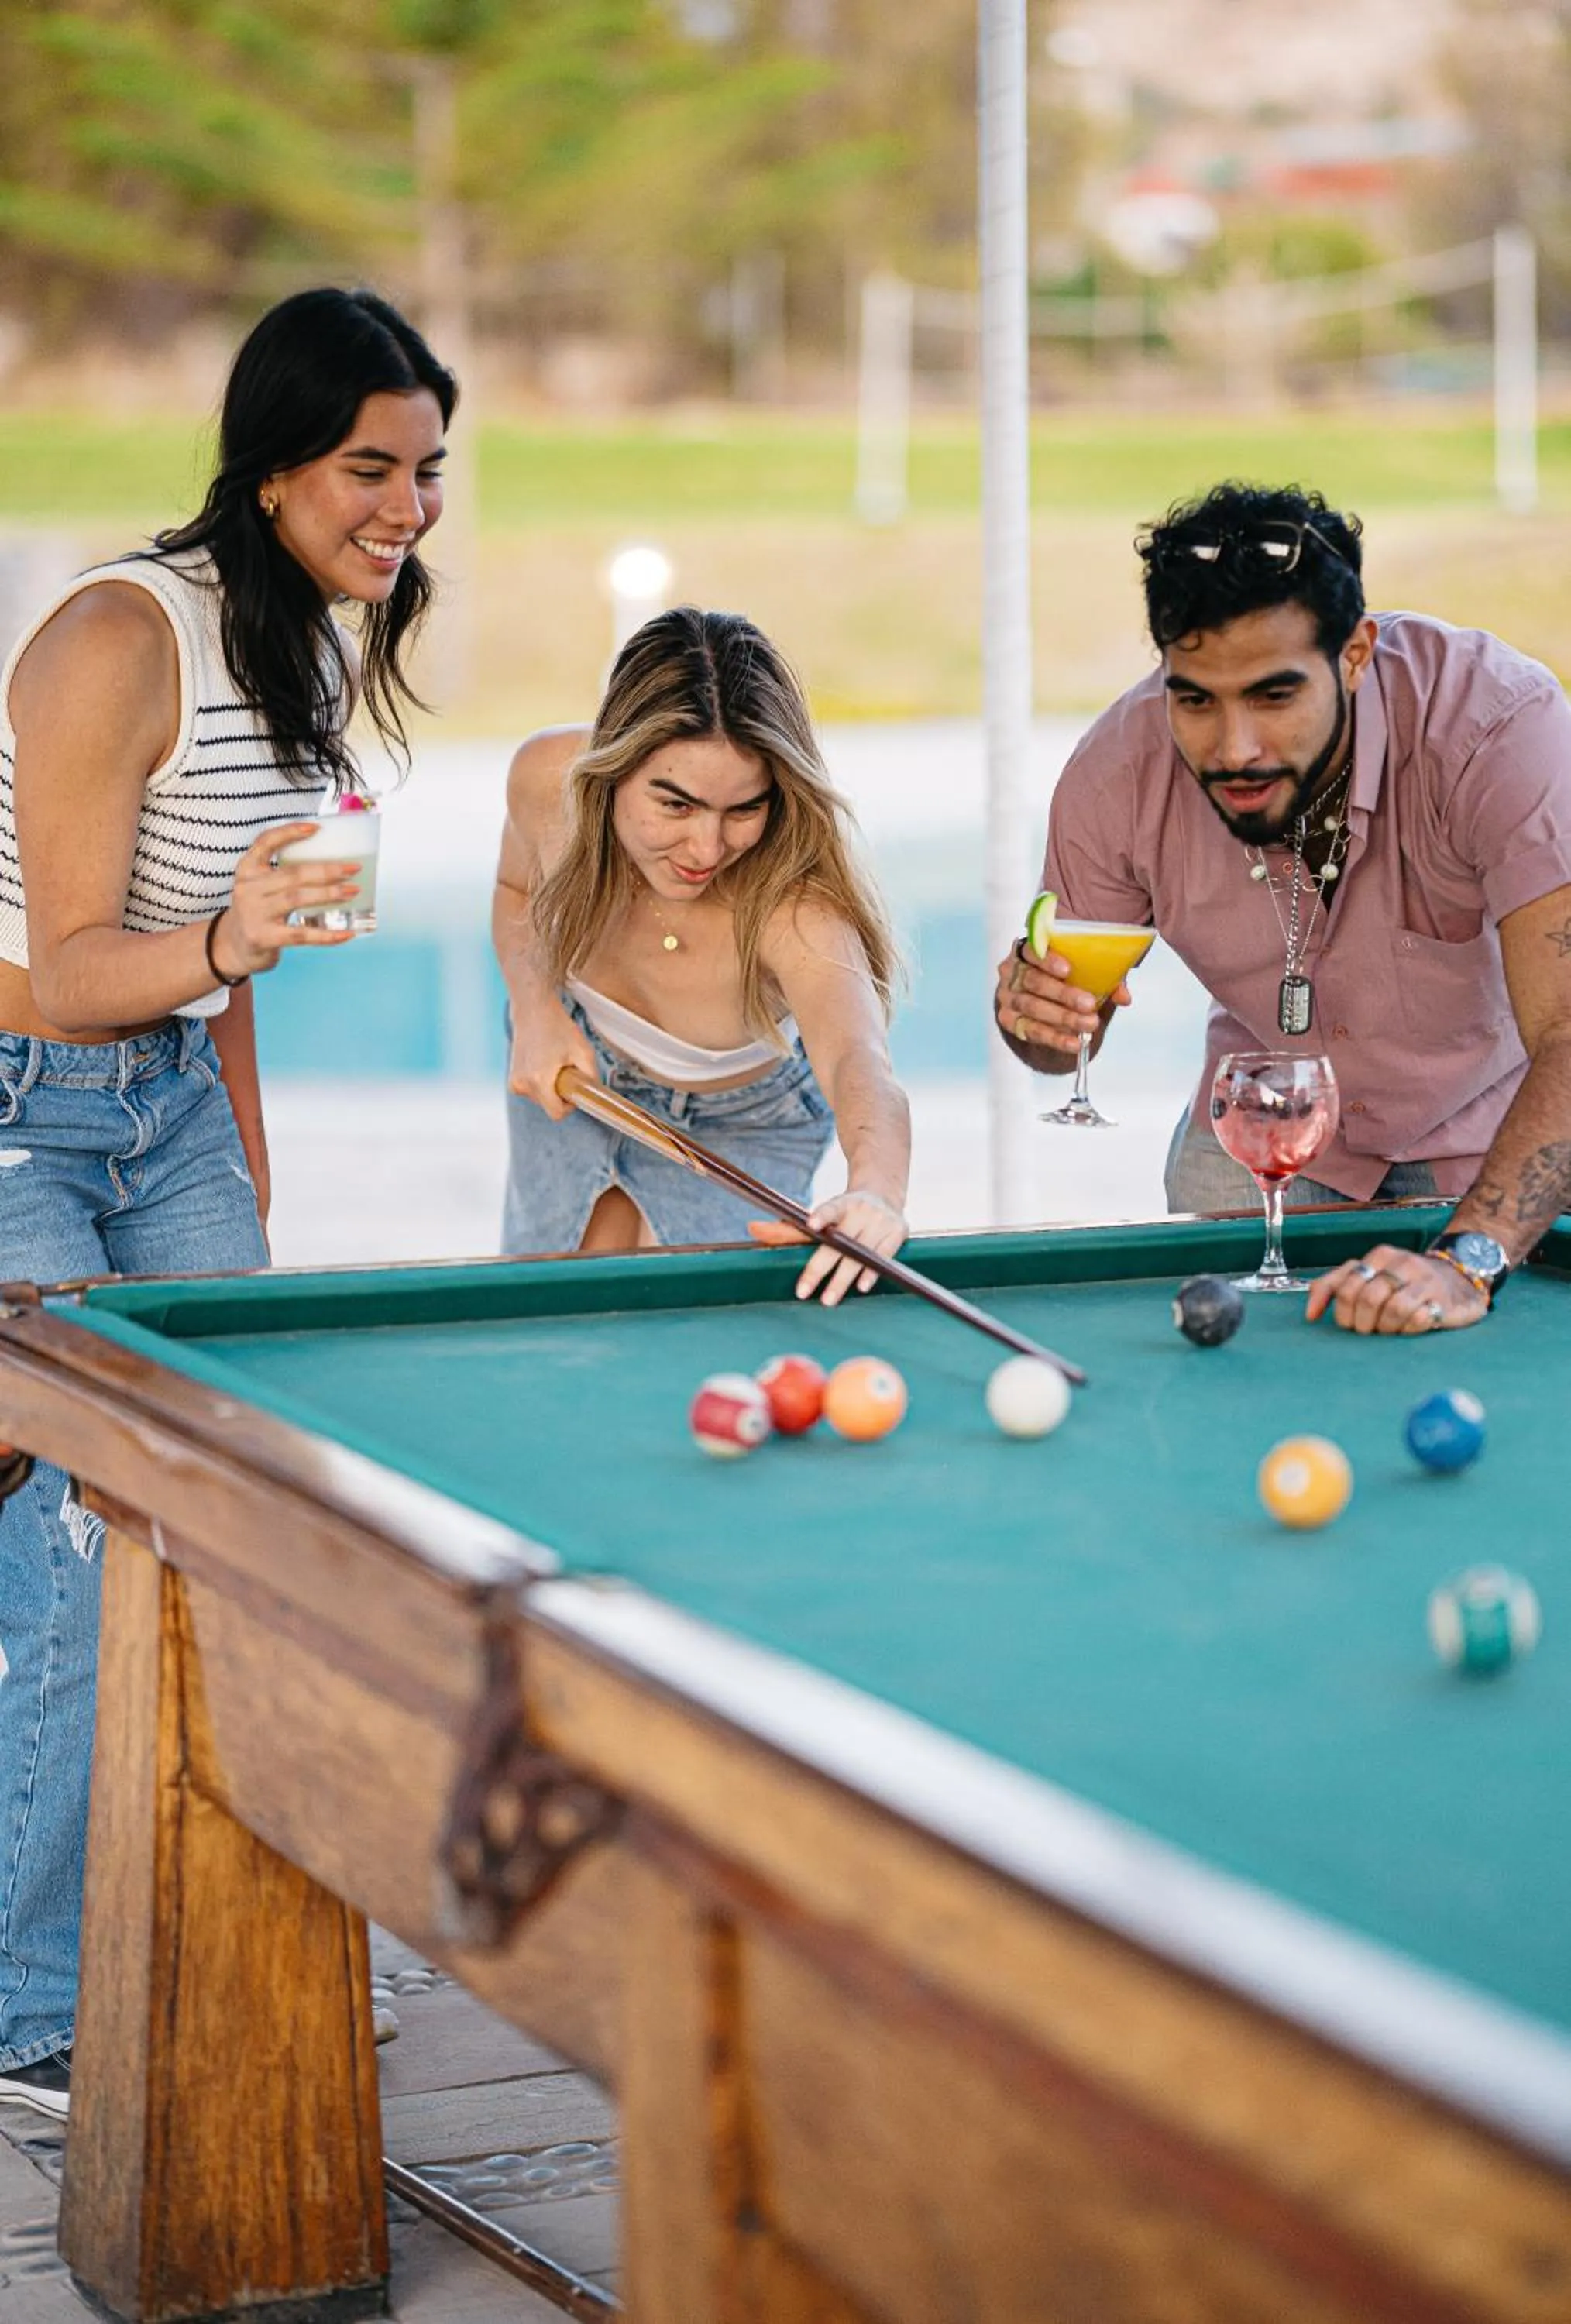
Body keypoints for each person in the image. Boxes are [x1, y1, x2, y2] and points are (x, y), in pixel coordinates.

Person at [0, 286, 455, 2119]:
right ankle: (31, 2001)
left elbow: (223, 970)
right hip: (21, 1105)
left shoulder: (308, 647)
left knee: (251, 1510)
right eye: (369, 468)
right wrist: (229, 941)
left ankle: (243, 1928)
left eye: (427, 468)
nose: (407, 506)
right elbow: (64, 970)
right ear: (270, 466)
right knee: (78, 1534)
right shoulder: (117, 638)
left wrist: (241, 1166)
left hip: (165, 1098)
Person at [993, 480, 1571, 1338]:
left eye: (1273, 696)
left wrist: (1469, 1260)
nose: (1235, 748)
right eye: (1195, 698)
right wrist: (1037, 1016)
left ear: (1356, 654)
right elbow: (1054, 1043)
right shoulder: (1115, 774)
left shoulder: (1497, 726)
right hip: (1258, 1142)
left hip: (1496, 1138)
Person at [493, 607, 909, 1303]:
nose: (707, 850)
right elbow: (517, 892)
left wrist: (876, 1191)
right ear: (613, 769)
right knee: (558, 1308)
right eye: (677, 805)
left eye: (743, 810)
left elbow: (857, 1059)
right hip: (577, 1067)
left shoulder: (796, 907)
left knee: (692, 1324)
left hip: (742, 1121)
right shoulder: (548, 780)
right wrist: (535, 1009)